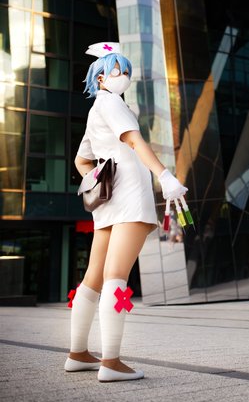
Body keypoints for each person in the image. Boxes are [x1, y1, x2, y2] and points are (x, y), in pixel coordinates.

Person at [64, 41, 187, 382]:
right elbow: (134, 140)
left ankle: (78, 353)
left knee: (94, 277)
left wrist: (100, 176)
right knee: (116, 278)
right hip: (130, 194)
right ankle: (111, 362)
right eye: (116, 71)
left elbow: (81, 160)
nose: (123, 77)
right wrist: (164, 176)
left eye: (126, 72)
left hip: (109, 201)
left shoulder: (96, 109)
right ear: (100, 77)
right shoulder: (112, 104)